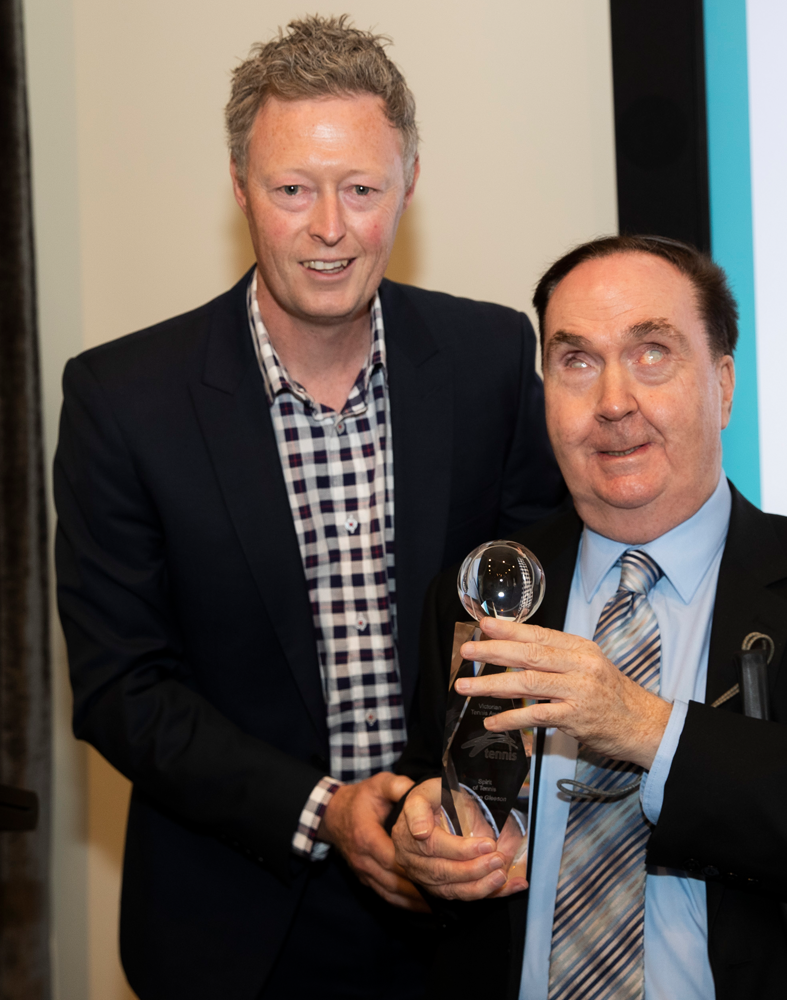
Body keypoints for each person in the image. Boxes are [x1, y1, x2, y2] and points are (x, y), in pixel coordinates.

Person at [54, 15, 565, 1000]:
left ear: (407, 186)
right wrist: (325, 809)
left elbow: (528, 616)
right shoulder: (123, 400)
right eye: (292, 189)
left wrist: (464, 809)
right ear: (241, 187)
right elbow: (123, 687)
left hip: (460, 907)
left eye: (361, 189)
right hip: (234, 923)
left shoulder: (490, 360)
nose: (328, 228)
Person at [392, 235, 787, 999]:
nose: (613, 402)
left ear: (723, 386)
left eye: (652, 353)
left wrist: (648, 729)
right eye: (577, 362)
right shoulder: (483, 590)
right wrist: (425, 843)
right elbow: (439, 803)